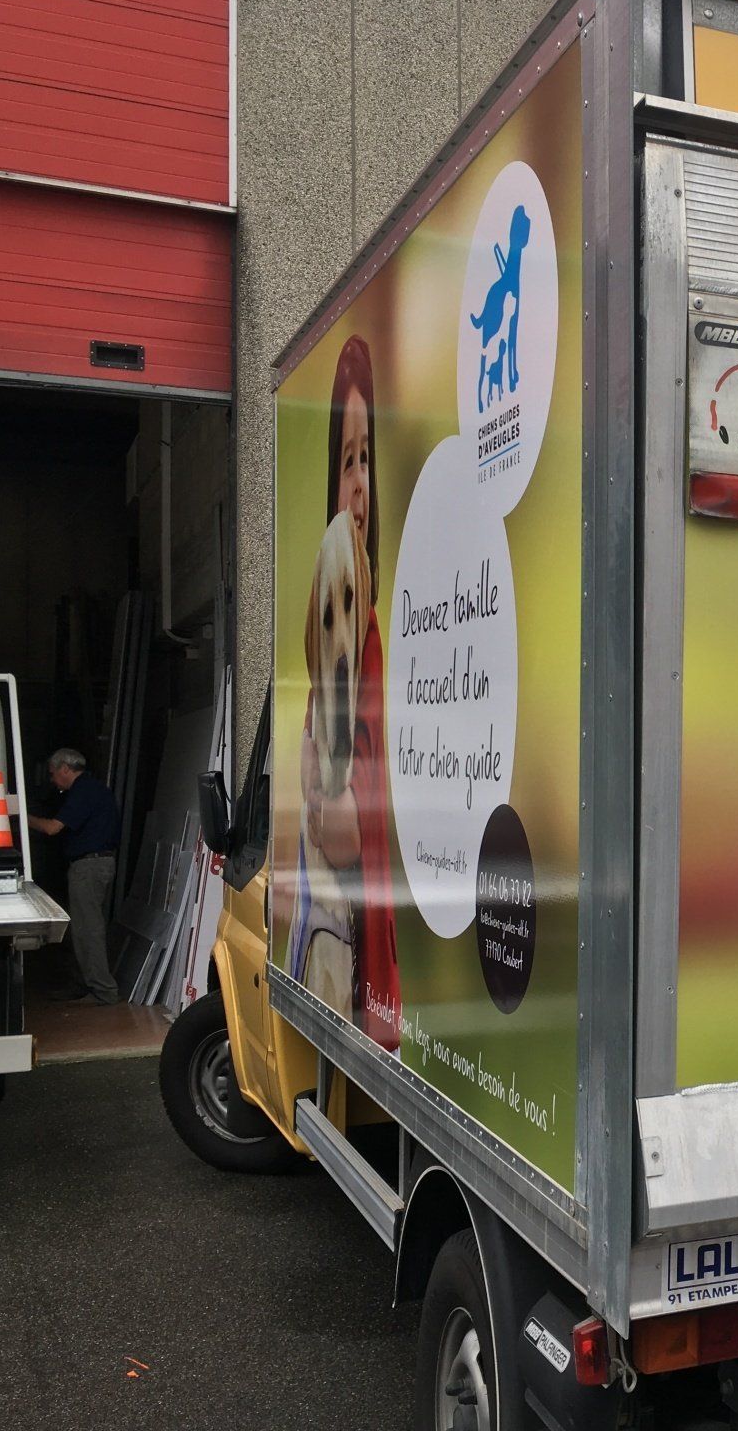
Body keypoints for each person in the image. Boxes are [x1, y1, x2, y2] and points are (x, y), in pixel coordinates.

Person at [298, 334, 401, 1051]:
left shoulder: (380, 633)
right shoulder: (342, 634)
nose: (359, 482)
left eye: (368, 460)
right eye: (347, 462)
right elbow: (332, 824)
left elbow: (345, 822)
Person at [27, 748, 121, 1006]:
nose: (52, 779)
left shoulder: (83, 791)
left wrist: (20, 817)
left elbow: (52, 828)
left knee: (87, 929)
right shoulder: (92, 790)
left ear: (65, 769)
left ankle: (103, 991)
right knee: (82, 928)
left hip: (89, 867)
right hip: (95, 864)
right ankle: (86, 985)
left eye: (53, 773)